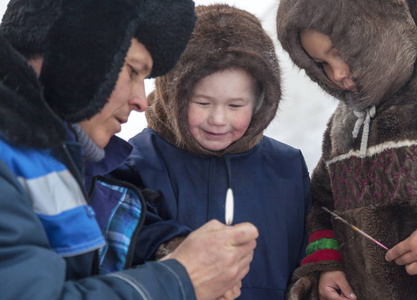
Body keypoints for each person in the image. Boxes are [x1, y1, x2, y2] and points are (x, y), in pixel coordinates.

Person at [0, 0, 258, 299]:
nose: (141, 101)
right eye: (134, 71)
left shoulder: (53, 161)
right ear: (74, 46)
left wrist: (171, 250)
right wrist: (182, 278)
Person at [113, 4, 312, 300]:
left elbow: (307, 254)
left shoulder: (288, 166)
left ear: (261, 102)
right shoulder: (135, 162)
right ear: (173, 94)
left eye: (235, 105)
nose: (219, 119)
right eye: (202, 103)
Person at [276, 0, 417, 299]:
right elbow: (322, 206)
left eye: (340, 54)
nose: (338, 74)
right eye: (322, 64)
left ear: (381, 27)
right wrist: (328, 265)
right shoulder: (342, 129)